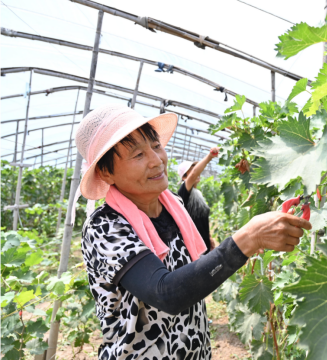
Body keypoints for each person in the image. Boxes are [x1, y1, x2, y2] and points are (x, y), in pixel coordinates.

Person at [75, 105, 311, 360]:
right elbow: (165, 293)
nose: (156, 161)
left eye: (155, 146)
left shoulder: (173, 205)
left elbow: (194, 278)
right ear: (106, 172)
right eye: (137, 155)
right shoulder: (106, 226)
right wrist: (247, 239)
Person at [177, 149, 218, 253]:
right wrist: (209, 156)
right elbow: (194, 174)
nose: (197, 172)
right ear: (184, 177)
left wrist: (209, 237)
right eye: (191, 170)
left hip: (204, 244)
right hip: (194, 247)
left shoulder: (197, 193)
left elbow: (203, 218)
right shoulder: (184, 191)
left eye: (195, 168)